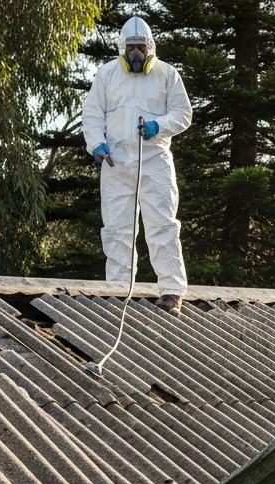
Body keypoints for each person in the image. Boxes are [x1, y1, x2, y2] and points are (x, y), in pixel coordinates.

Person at [82, 16, 192, 315]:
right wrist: (96, 144)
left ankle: (171, 291)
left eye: (140, 47)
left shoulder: (166, 75)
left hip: (154, 161)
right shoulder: (106, 75)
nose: (135, 53)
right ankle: (118, 291)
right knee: (117, 230)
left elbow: (183, 113)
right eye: (130, 47)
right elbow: (92, 115)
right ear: (122, 48)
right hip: (116, 163)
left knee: (163, 226)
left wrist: (160, 125)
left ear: (150, 47)